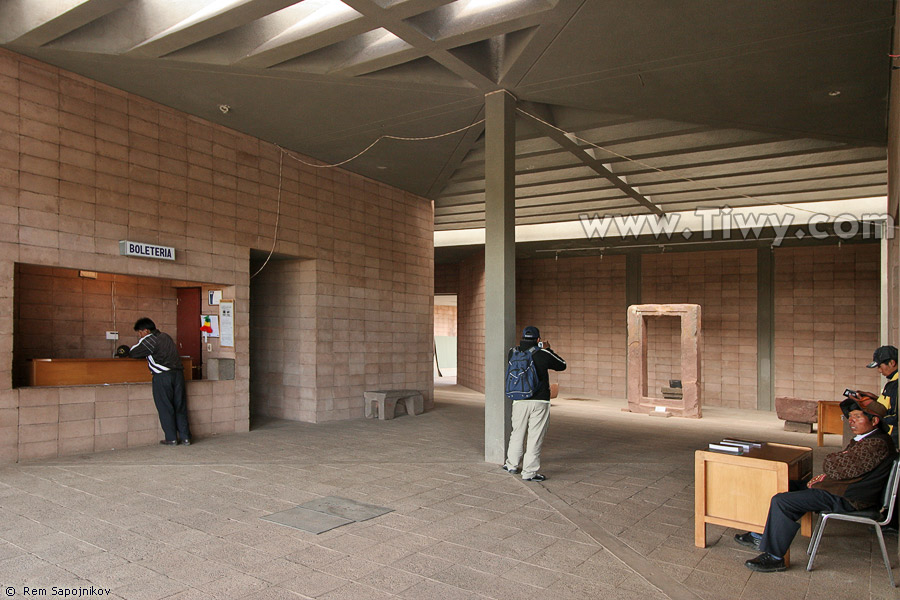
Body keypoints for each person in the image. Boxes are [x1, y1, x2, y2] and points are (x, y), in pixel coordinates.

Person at [734, 400, 896, 572]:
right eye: (849, 417)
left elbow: (837, 467)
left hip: (849, 498)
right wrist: (826, 475)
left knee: (782, 501)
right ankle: (760, 535)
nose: (851, 421)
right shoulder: (869, 439)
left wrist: (829, 466)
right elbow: (843, 468)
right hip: (844, 489)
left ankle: (774, 557)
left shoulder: (876, 444)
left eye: (857, 416)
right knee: (785, 486)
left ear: (874, 420)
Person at [503, 326, 566, 482]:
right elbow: (562, 365)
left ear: (522, 337)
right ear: (538, 339)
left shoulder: (513, 352)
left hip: (519, 400)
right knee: (535, 436)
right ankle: (529, 472)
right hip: (539, 400)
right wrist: (548, 349)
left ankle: (511, 464)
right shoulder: (542, 353)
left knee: (517, 432)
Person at [129, 317, 192, 446]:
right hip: (179, 375)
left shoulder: (149, 340)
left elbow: (133, 353)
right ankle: (186, 437)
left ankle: (171, 438)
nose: (139, 336)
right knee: (180, 407)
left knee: (165, 407)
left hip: (163, 377)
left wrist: (141, 341)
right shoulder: (165, 336)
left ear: (146, 331)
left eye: (139, 333)